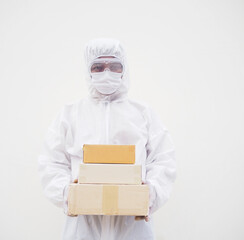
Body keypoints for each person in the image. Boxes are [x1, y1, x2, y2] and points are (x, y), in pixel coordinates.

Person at [38, 38, 176, 240]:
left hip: (132, 227)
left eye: (114, 66)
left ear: (124, 70)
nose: (106, 72)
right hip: (83, 227)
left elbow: (164, 159)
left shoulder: (143, 114)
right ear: (88, 71)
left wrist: (150, 193)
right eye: (98, 67)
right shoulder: (70, 114)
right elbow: (51, 162)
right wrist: (67, 193)